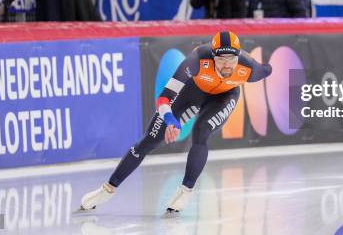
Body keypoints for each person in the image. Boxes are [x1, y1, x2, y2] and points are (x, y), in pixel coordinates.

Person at [79, 31, 273, 213]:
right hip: (193, 92)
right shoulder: (197, 60)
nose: (227, 65)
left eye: (231, 59)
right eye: (221, 60)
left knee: (201, 131)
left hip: (224, 97)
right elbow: (164, 98)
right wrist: (171, 120)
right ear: (212, 57)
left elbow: (267, 70)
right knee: (150, 140)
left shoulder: (249, 68)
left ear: (238, 57)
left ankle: (185, 191)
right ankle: (108, 189)